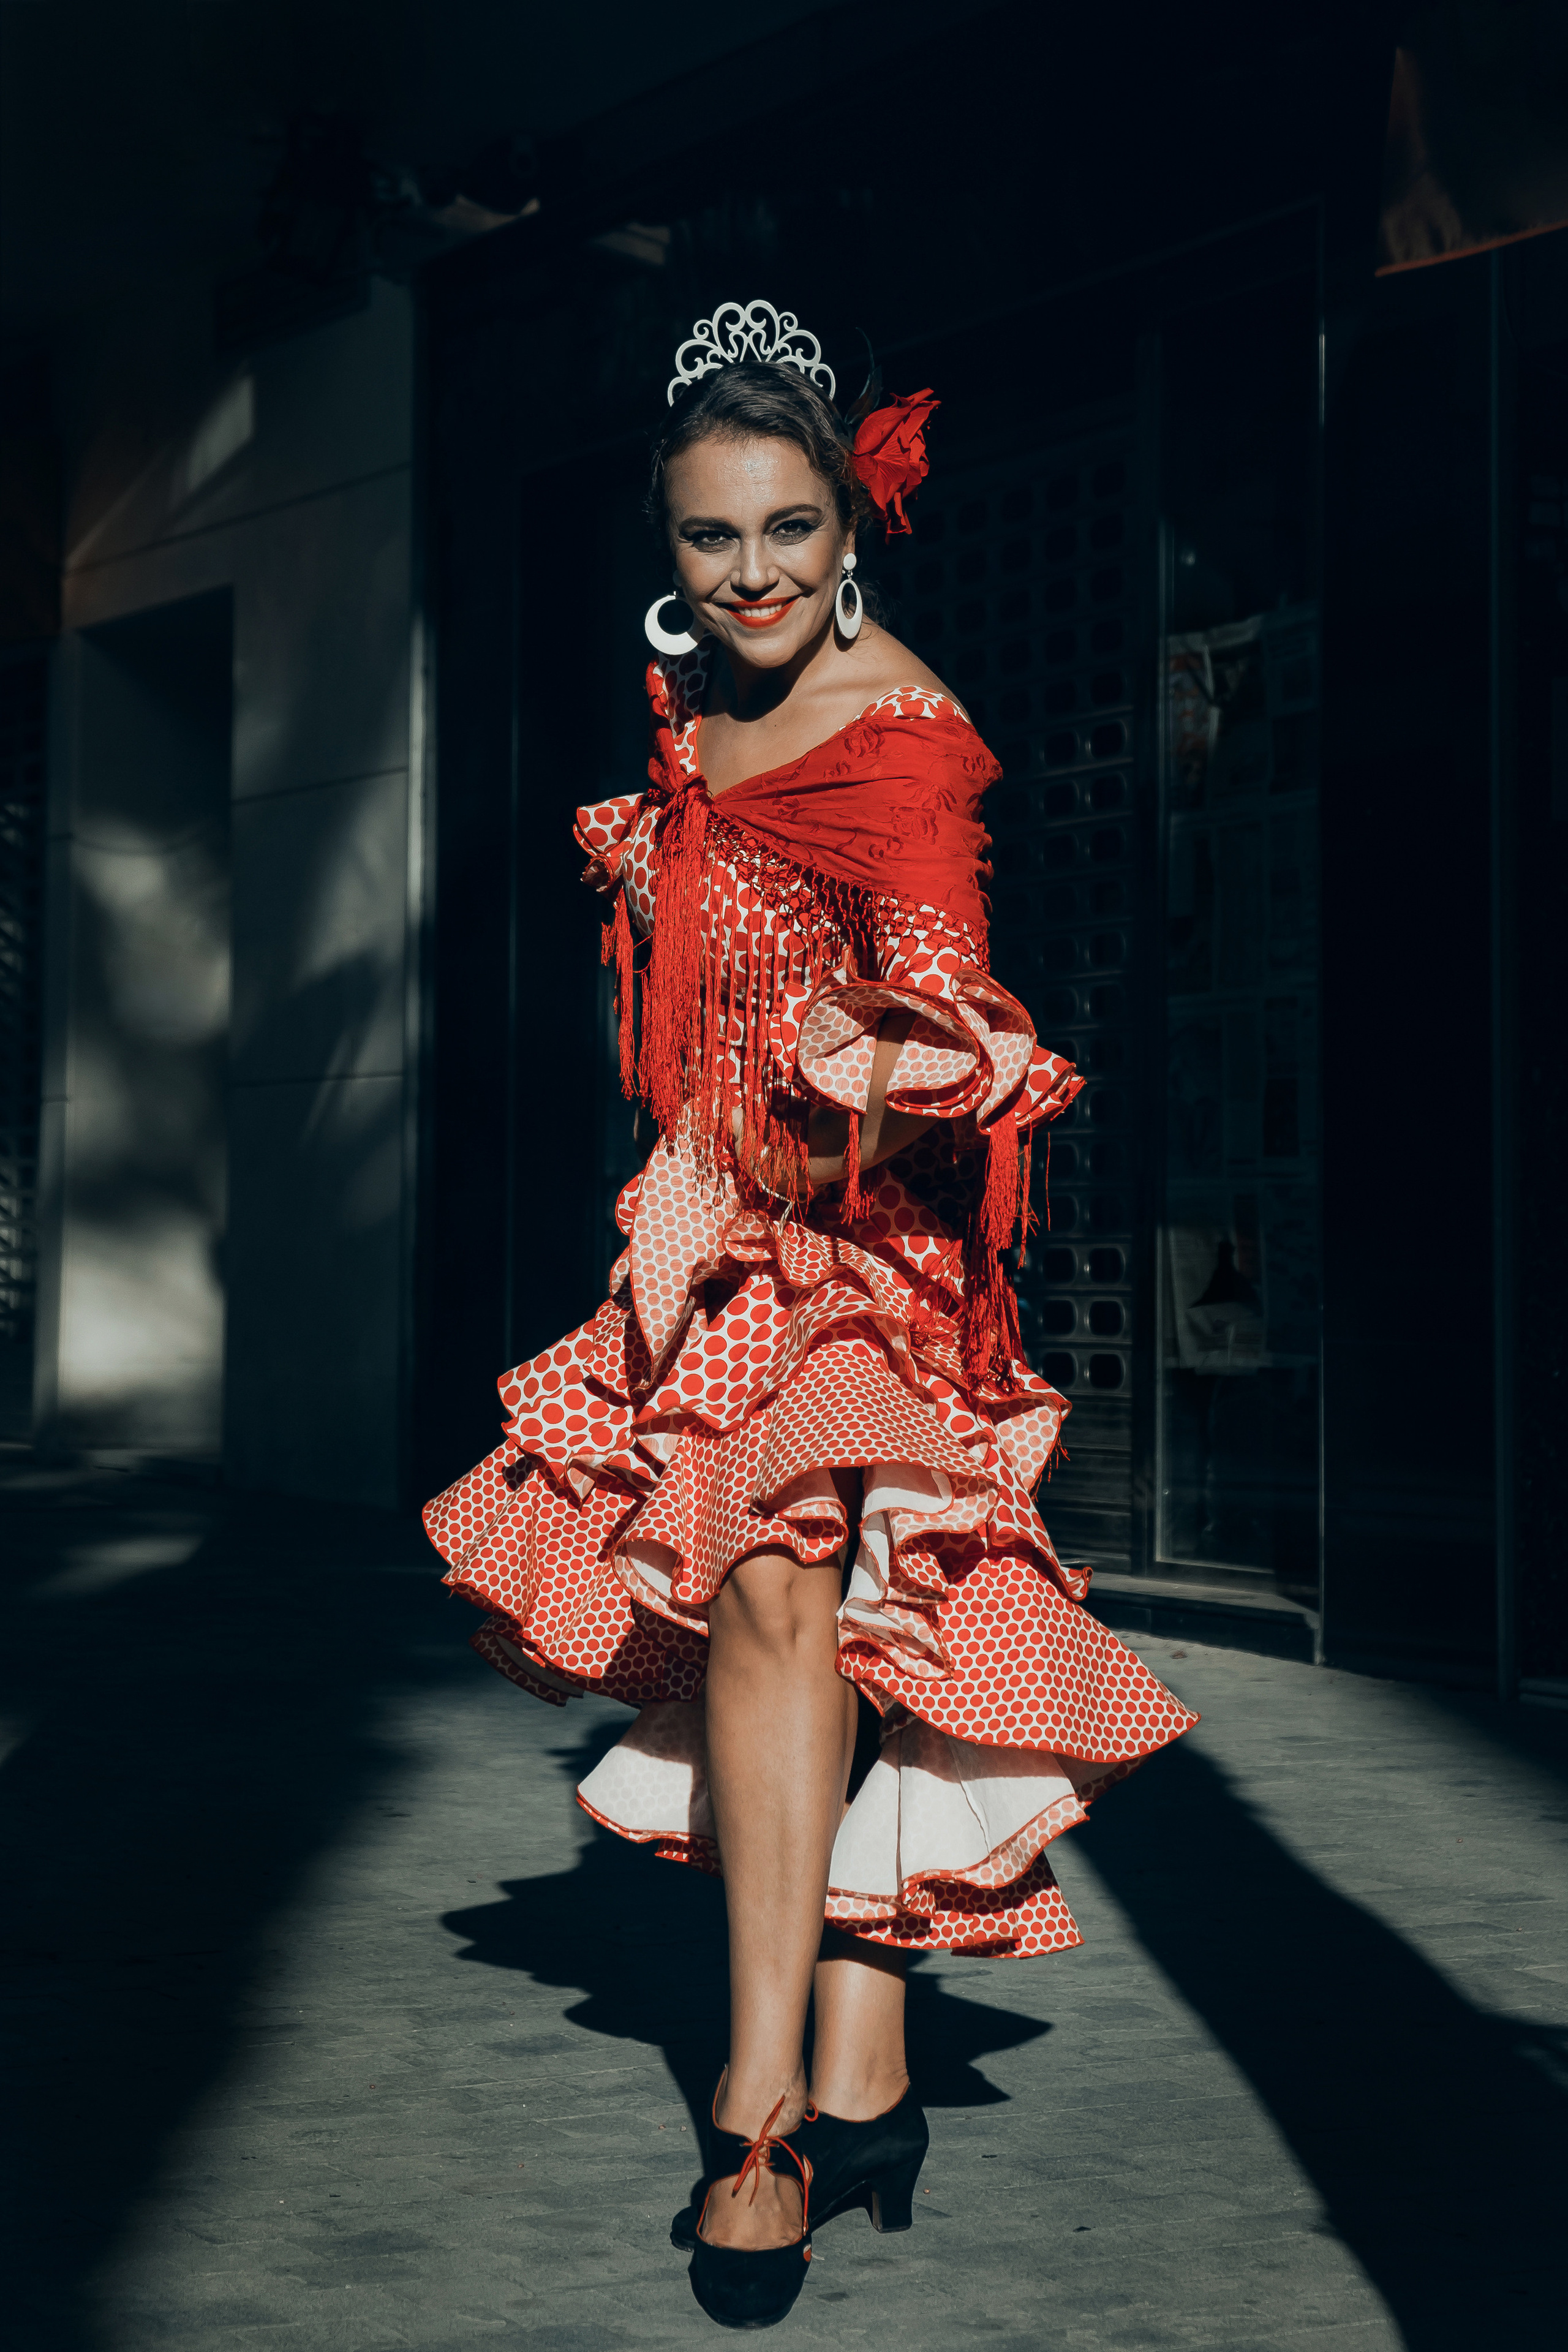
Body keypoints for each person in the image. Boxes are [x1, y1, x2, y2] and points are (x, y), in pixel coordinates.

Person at [424, 298, 1197, 2330]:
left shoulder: (905, 735)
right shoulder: (690, 702)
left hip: (875, 1242)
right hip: (718, 1225)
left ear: (851, 520)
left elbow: (946, 978)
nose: (750, 573)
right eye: (709, 538)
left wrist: (891, 1059)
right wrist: (682, 1186)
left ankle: (757, 2114)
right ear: (665, 546)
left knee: (800, 1603)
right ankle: (860, 2055)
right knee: (790, 1629)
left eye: (786, 530)